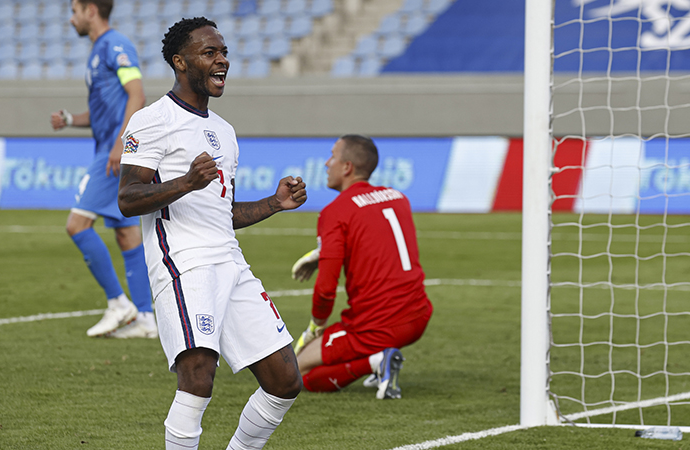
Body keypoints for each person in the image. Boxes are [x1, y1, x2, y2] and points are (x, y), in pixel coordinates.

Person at [117, 17, 305, 450]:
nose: (222, 60)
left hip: (230, 262)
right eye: (209, 53)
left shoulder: (225, 132)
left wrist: (275, 203)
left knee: (284, 380)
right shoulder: (151, 120)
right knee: (199, 375)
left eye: (223, 53)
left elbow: (223, 213)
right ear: (180, 62)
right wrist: (184, 181)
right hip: (184, 263)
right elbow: (127, 198)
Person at [292, 135, 433, 399]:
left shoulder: (335, 212)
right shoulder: (397, 196)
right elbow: (376, 239)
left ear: (346, 167)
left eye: (332, 155)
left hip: (377, 325)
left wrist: (316, 327)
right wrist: (323, 253)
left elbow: (325, 290)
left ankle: (377, 362)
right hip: (419, 314)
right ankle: (377, 360)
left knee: (293, 374)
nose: (326, 163)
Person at [49, 0, 156, 339]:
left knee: (77, 224)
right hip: (111, 148)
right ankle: (146, 319)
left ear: (91, 10)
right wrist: (71, 120)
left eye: (74, 10)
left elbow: (137, 94)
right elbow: (103, 112)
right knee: (126, 234)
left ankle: (118, 303)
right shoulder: (98, 51)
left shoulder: (116, 45)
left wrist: (121, 143)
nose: (71, 19)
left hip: (114, 152)